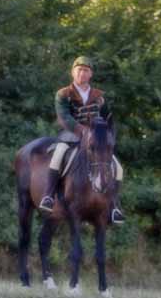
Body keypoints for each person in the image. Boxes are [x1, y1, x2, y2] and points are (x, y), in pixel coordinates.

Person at [39, 56, 125, 224]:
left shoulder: (100, 96)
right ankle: (48, 196)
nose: (82, 73)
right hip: (71, 134)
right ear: (73, 72)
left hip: (95, 139)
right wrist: (82, 130)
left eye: (86, 70)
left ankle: (114, 205)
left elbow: (109, 119)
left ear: (90, 74)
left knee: (118, 167)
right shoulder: (63, 94)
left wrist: (109, 139)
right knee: (59, 154)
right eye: (79, 70)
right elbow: (64, 117)